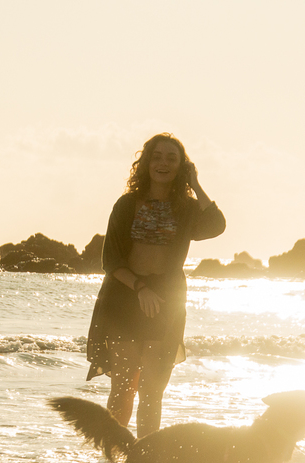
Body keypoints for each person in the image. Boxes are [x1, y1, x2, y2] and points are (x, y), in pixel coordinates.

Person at [85, 133, 226, 437]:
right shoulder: (126, 205)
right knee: (124, 387)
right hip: (124, 298)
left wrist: (195, 184)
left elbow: (217, 225)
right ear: (146, 162)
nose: (163, 163)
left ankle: (144, 460)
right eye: (157, 156)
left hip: (167, 302)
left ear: (181, 166)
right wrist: (140, 288)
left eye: (172, 158)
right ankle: (115, 457)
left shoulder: (187, 208)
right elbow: (111, 261)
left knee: (152, 390)